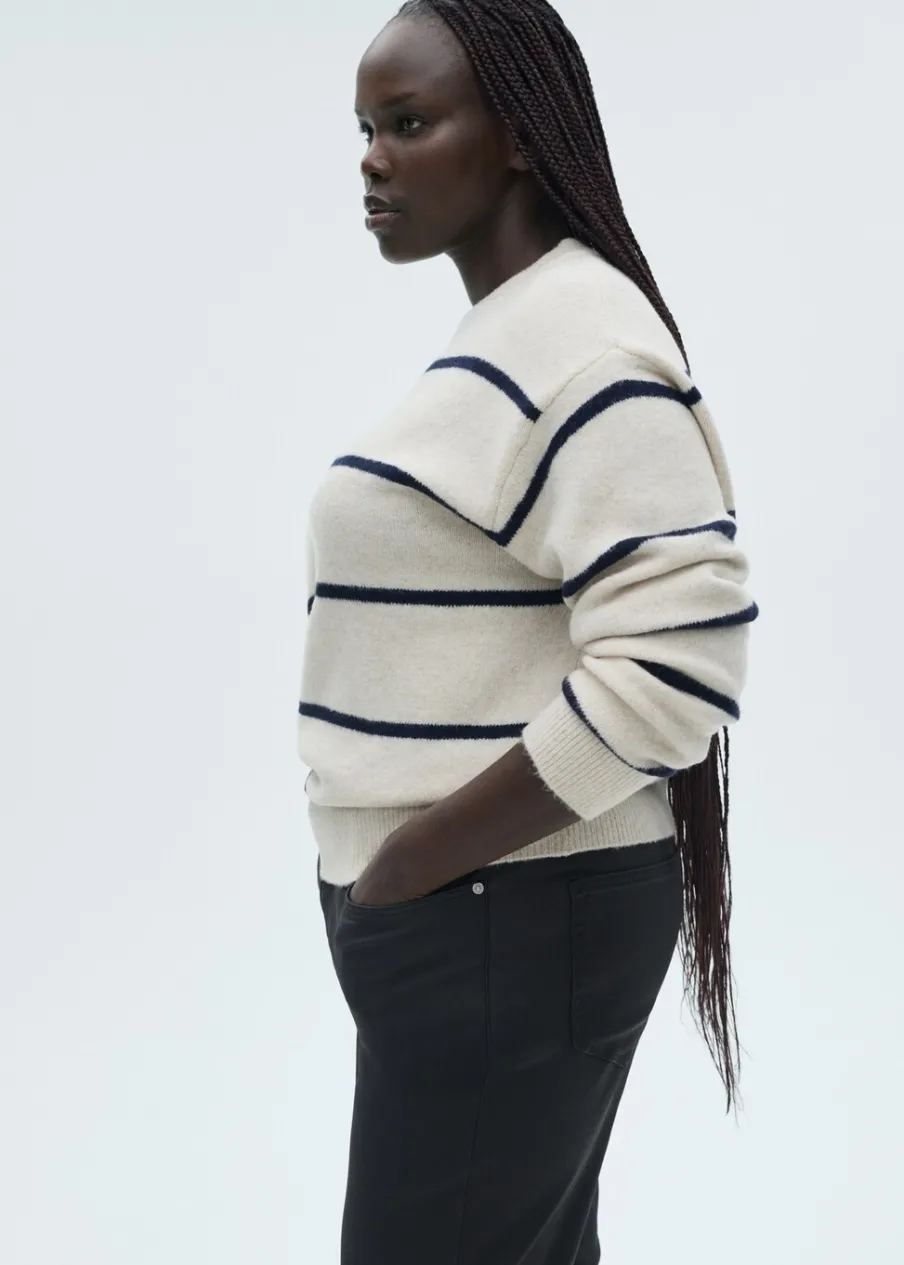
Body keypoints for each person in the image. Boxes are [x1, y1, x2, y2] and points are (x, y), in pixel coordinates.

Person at [297, 2, 759, 1261]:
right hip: (485, 914)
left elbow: (679, 661)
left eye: (409, 123)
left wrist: (414, 860)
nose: (372, 159)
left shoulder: (582, 344)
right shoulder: (521, 330)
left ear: (514, 135)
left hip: (500, 908)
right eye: (364, 128)